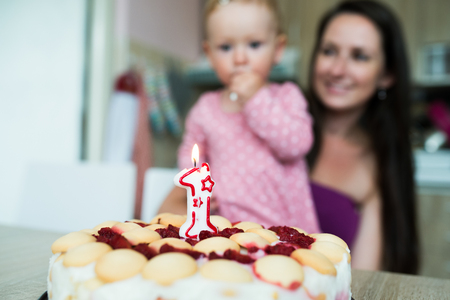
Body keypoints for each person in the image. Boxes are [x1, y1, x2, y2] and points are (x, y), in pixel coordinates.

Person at [159, 0, 320, 233]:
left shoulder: (287, 97)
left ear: (278, 49)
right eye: (226, 47)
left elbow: (296, 145)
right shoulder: (205, 108)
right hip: (230, 227)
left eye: (254, 44)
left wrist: (256, 99)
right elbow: (190, 150)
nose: (240, 58)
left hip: (286, 228)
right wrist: (199, 183)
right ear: (210, 54)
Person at [306, 0, 419, 273]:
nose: (337, 70)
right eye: (329, 51)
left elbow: (364, 278)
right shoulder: (275, 124)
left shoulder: (383, 162)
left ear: (387, 75)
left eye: (359, 56)